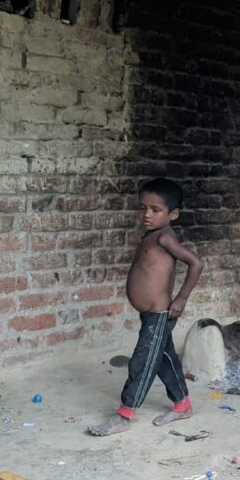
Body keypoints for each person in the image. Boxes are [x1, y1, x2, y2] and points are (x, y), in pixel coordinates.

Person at [89, 178, 204, 436]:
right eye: (143, 208)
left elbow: (196, 263)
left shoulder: (165, 237)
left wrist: (182, 298)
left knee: (142, 362)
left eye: (155, 210)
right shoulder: (152, 235)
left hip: (160, 314)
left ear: (173, 214)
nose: (147, 215)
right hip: (150, 313)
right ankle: (183, 405)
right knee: (163, 359)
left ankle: (125, 414)